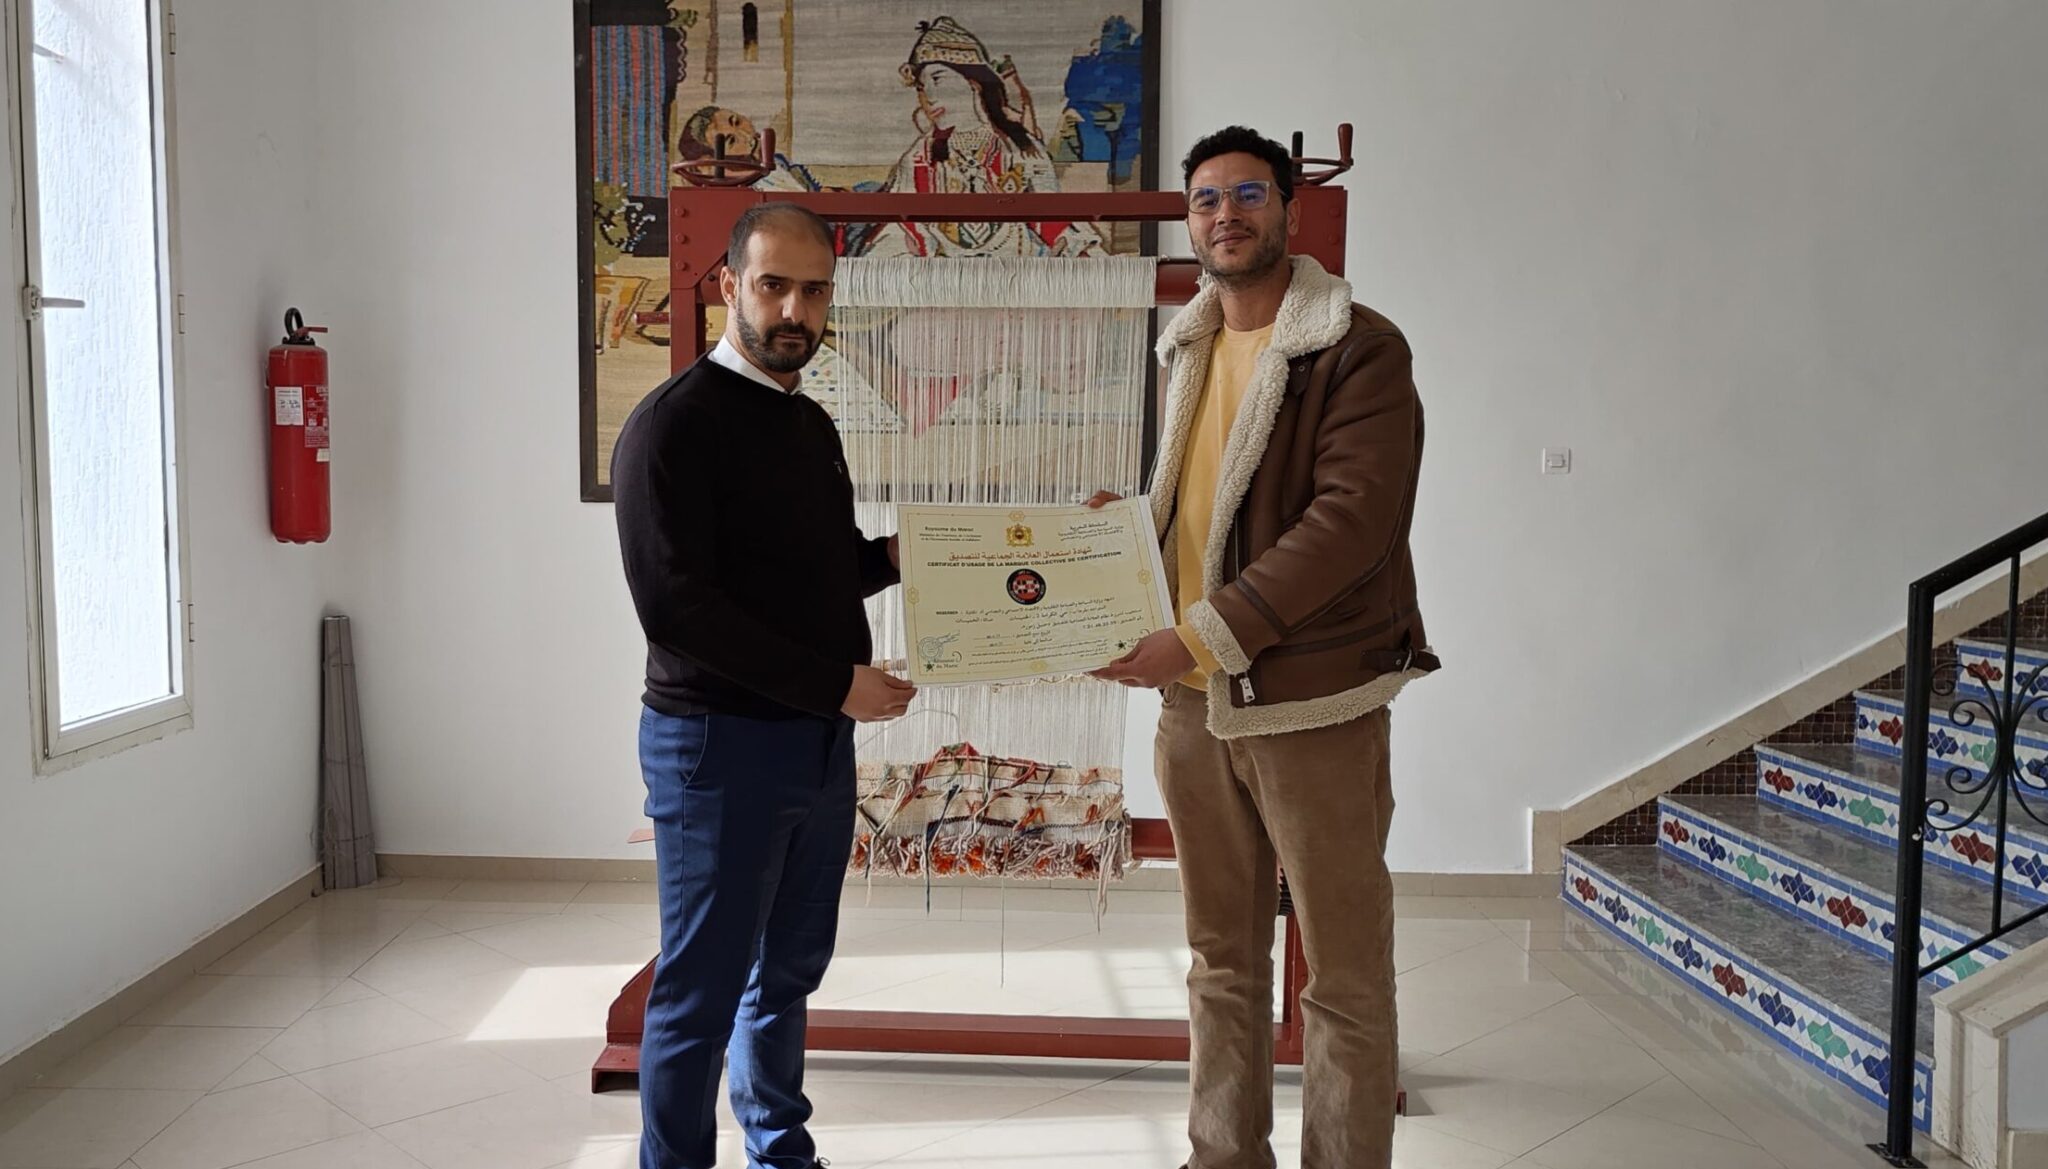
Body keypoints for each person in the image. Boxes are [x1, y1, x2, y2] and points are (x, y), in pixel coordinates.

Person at [1090, 126, 1440, 1169]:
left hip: (1308, 704)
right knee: (1219, 960)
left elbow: (1347, 523)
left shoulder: (1359, 347)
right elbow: (1203, 510)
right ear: (1188, 219)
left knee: (1339, 973)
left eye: (1246, 194)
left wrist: (1200, 630)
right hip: (1194, 705)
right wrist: (1121, 536)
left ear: (1287, 208)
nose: (1224, 214)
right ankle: (1219, 1154)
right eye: (1204, 199)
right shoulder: (1188, 344)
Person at [612, 202, 916, 1169]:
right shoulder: (671, 428)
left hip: (817, 745)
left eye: (814, 289)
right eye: (773, 283)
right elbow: (679, 611)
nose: (794, 307)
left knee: (785, 972)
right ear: (728, 286)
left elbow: (828, 570)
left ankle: (782, 1153)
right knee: (698, 992)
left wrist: (929, 555)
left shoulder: (808, 422)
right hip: (720, 746)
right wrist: (838, 685)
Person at [855, 16, 1103, 258]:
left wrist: (1075, 249)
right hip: (941, 287)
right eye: (921, 87)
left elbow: (1051, 218)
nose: (928, 95)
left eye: (938, 79)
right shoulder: (919, 158)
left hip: (1016, 280)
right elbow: (903, 228)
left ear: (974, 83)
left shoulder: (1022, 148)